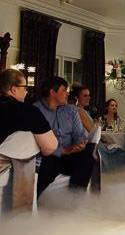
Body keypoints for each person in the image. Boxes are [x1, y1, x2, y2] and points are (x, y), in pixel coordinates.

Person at [0, 69, 58, 210]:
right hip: (11, 172)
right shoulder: (28, 111)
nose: (26, 92)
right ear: (13, 89)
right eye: (24, 88)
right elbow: (50, 147)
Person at [34, 76, 93, 197]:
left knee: (88, 153)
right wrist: (62, 151)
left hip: (69, 156)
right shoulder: (35, 111)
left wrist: (80, 144)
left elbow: (79, 135)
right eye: (64, 90)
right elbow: (38, 144)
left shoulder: (71, 111)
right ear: (52, 92)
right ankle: (35, 200)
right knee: (48, 161)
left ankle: (75, 197)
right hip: (47, 156)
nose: (67, 93)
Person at [96, 98, 125, 171]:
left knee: (118, 149)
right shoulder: (101, 119)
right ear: (107, 107)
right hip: (104, 143)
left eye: (116, 106)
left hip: (115, 142)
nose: (114, 107)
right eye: (112, 105)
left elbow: (121, 131)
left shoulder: (119, 120)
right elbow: (97, 131)